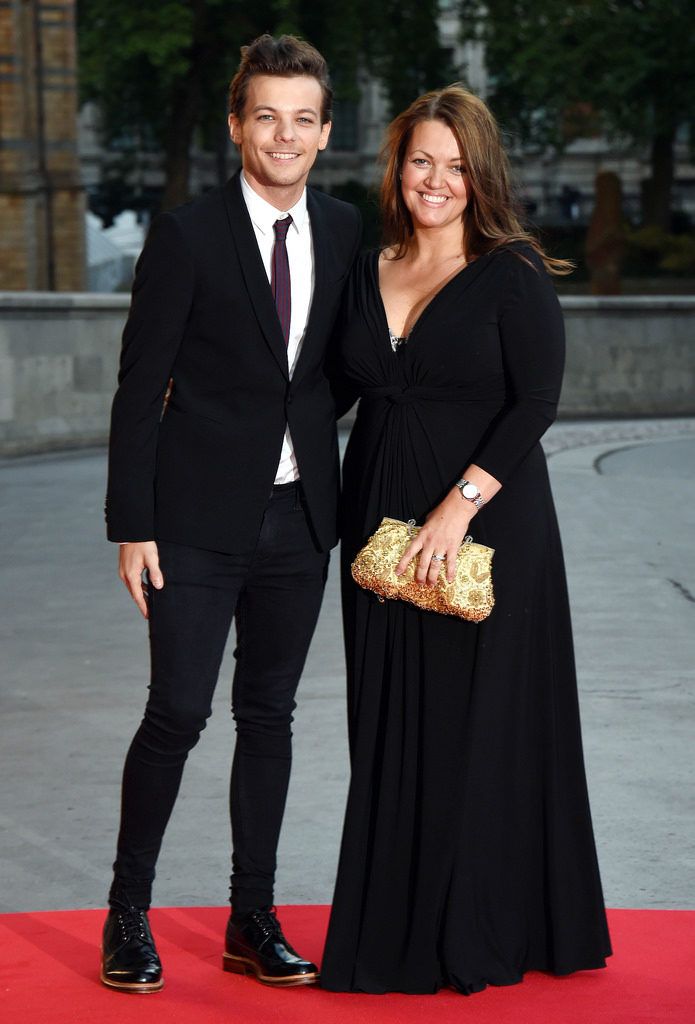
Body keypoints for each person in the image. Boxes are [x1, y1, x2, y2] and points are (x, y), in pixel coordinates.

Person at [321, 85, 611, 995]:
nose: (435, 180)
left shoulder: (512, 272)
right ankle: (397, 927)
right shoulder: (364, 269)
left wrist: (457, 508)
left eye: (454, 165)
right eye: (420, 161)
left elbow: (536, 402)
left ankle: (482, 930)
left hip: (485, 532)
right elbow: (326, 391)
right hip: (376, 532)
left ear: (478, 175)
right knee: (388, 727)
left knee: (478, 731)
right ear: (395, 166)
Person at [101, 34, 361, 993]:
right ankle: (127, 912)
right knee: (177, 710)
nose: (284, 135)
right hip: (194, 524)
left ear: (325, 131)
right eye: (266, 116)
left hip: (300, 522)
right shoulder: (187, 234)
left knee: (271, 715)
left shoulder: (341, 230)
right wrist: (132, 522)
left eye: (302, 119)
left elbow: (343, 366)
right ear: (236, 125)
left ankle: (250, 917)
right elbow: (140, 387)